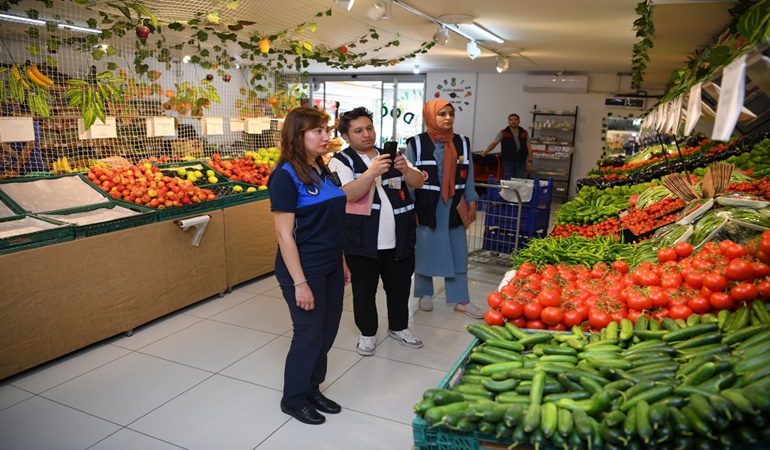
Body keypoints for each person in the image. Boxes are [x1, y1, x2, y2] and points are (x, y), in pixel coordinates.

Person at [267, 107, 351, 425]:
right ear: (297, 135)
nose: (326, 137)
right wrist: (299, 282)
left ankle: (312, 388)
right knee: (309, 332)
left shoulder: (322, 167)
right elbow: (284, 235)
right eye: (317, 131)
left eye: (326, 130)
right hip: (303, 268)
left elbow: (332, 222)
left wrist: (341, 261)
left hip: (330, 263)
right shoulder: (284, 176)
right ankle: (294, 398)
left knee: (327, 331)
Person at [328, 107, 424, 356]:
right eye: (358, 131)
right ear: (347, 136)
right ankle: (367, 333)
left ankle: (400, 327)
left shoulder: (390, 155)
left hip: (400, 238)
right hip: (361, 239)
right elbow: (349, 193)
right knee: (364, 291)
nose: (366, 134)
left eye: (369, 128)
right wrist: (371, 172)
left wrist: (405, 169)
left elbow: (418, 182)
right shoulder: (340, 161)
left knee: (400, 287)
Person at [405, 99, 485, 319]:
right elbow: (409, 178)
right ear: (431, 116)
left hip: (454, 206)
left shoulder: (463, 143)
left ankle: (462, 300)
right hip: (426, 206)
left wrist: (472, 201)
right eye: (441, 114)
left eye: (451, 113)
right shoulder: (416, 143)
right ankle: (424, 294)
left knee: (458, 252)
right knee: (424, 251)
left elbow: (468, 177)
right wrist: (410, 210)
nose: (448, 118)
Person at [481, 113, 532, 179]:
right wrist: (487, 150)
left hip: (521, 162)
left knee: (520, 182)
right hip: (507, 163)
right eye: (511, 120)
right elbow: (494, 143)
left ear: (519, 122)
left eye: (515, 120)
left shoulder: (524, 132)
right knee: (508, 182)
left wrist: (530, 161)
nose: (513, 121)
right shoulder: (503, 132)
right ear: (508, 122)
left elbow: (529, 148)